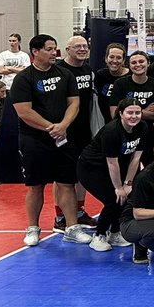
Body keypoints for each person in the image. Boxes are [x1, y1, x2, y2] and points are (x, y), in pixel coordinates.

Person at [9, 34, 88, 247]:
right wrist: (49, 127)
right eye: (49, 49)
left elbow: (74, 104)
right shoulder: (24, 78)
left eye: (55, 48)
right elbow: (24, 112)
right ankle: (33, 228)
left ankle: (72, 227)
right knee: (35, 186)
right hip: (34, 140)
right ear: (35, 51)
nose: (54, 53)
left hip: (63, 137)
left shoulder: (65, 74)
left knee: (66, 183)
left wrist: (63, 126)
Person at [76, 98, 148, 252]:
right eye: (130, 113)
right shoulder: (112, 131)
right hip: (91, 167)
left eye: (137, 112)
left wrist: (128, 183)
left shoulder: (142, 127)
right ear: (121, 113)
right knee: (113, 200)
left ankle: (115, 233)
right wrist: (118, 188)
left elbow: (136, 158)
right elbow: (111, 163)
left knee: (125, 198)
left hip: (116, 166)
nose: (134, 116)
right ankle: (99, 236)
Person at [58, 35, 98, 230]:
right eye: (77, 47)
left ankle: (80, 212)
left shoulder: (88, 70)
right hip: (65, 130)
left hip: (84, 129)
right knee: (63, 176)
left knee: (82, 173)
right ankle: (60, 217)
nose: (82, 49)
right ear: (68, 49)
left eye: (85, 46)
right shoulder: (59, 71)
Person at [92, 43, 128, 125]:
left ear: (123, 61)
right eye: (111, 57)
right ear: (106, 59)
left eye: (119, 58)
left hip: (125, 121)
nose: (114, 61)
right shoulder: (100, 75)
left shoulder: (130, 76)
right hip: (104, 122)